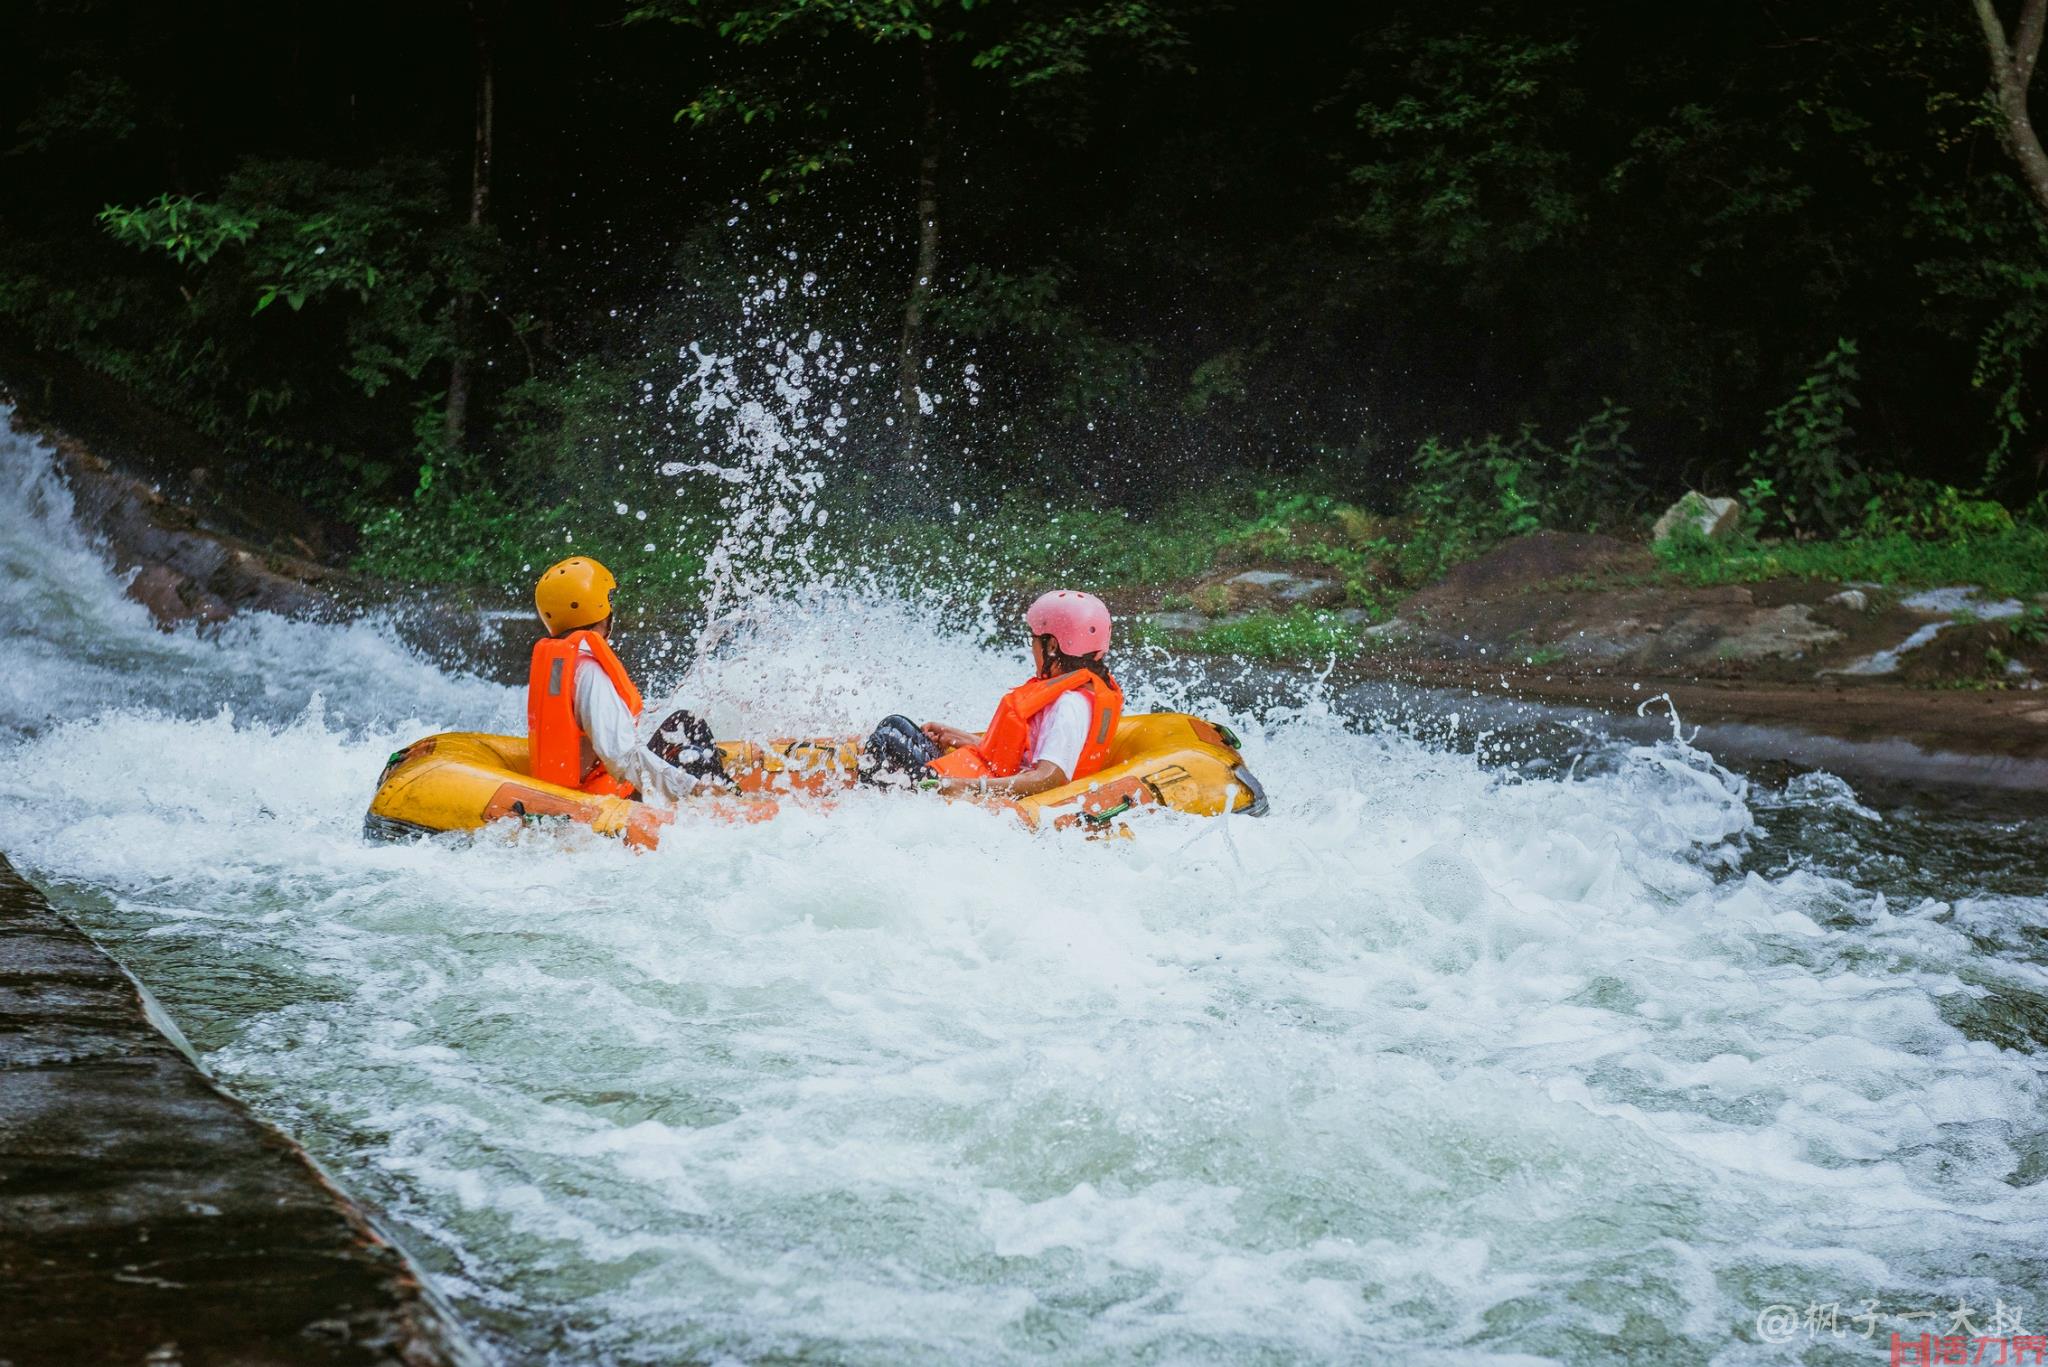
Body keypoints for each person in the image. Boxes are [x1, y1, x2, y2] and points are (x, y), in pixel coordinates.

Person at [865, 590, 1125, 799]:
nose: (1033, 648)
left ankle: (860, 805)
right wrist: (957, 738)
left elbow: (1051, 777)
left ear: (1053, 646)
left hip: (988, 794)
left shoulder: (1070, 706)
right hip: (986, 776)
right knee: (895, 724)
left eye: (1034, 640)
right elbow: (1020, 759)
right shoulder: (1070, 693)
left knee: (887, 740)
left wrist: (967, 787)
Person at [527, 556, 726, 802]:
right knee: (689, 738)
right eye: (608, 600)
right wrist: (692, 788)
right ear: (598, 609)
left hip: (576, 787)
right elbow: (622, 756)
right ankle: (727, 803)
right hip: (600, 800)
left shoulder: (562, 664)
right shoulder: (589, 673)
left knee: (681, 725)